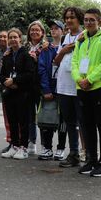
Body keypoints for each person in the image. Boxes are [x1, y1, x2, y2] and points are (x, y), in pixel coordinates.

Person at [71, 9, 101, 177]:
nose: (88, 23)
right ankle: (91, 160)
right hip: (82, 88)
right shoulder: (80, 40)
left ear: (99, 22)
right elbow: (74, 62)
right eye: (86, 20)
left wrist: (89, 79)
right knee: (87, 126)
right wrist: (78, 80)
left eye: (92, 20)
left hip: (99, 88)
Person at [53, 8, 84, 167]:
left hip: (78, 86)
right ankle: (74, 154)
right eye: (67, 18)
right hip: (63, 86)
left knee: (83, 122)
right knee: (70, 122)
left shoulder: (85, 36)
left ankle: (88, 154)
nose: (69, 20)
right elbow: (56, 61)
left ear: (79, 18)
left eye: (72, 17)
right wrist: (65, 49)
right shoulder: (65, 38)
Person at [0, 28, 36, 160]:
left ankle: (23, 148)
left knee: (23, 121)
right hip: (10, 93)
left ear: (20, 38)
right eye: (11, 38)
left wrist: (15, 81)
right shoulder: (7, 56)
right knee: (12, 121)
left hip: (23, 93)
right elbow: (2, 74)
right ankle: (14, 146)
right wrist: (6, 82)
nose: (13, 40)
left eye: (15, 37)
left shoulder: (26, 55)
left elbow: (30, 74)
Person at [37, 20, 66, 160]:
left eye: (57, 28)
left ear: (63, 30)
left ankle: (61, 148)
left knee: (63, 120)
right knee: (46, 118)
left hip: (64, 89)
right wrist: (46, 89)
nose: (54, 31)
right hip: (50, 89)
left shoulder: (68, 46)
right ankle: (47, 147)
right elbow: (42, 69)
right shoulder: (46, 49)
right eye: (52, 29)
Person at [26, 21, 46, 155]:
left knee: (43, 117)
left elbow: (48, 66)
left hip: (41, 86)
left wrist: (36, 59)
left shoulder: (46, 47)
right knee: (29, 116)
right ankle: (31, 142)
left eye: (37, 30)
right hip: (27, 86)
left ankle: (45, 145)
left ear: (42, 32)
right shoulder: (24, 46)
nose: (34, 32)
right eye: (32, 29)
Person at [0, 30, 13, 153]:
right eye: (0, 36)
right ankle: (11, 141)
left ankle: (17, 142)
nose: (2, 39)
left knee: (15, 118)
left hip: (14, 87)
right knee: (7, 117)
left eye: (4, 36)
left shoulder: (12, 52)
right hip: (4, 88)